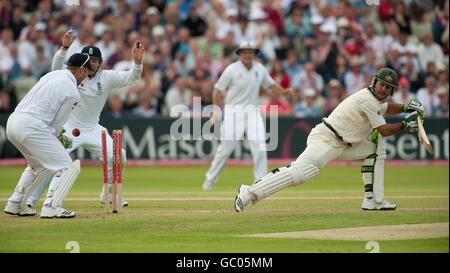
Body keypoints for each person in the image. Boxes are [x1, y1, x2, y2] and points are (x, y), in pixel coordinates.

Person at [234, 68, 425, 212]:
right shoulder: (367, 100)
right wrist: (406, 125)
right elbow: (383, 130)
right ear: (375, 83)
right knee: (303, 171)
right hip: (326, 139)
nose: (383, 89)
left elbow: (387, 108)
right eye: (381, 84)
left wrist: (406, 108)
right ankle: (249, 192)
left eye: (387, 87)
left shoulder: (376, 101)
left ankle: (373, 200)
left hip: (344, 144)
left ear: (391, 90)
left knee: (375, 149)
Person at [26, 28, 144, 207]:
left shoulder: (106, 77)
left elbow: (131, 78)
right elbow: (55, 69)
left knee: (119, 155)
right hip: (68, 129)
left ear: (100, 63)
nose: (93, 64)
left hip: (93, 128)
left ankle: (109, 196)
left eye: (96, 61)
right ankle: (30, 200)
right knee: (51, 162)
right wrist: (63, 49)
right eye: (90, 61)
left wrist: (137, 63)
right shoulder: (72, 76)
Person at [4, 53, 92, 218]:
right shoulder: (72, 92)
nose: (86, 77)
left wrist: (56, 136)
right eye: (87, 73)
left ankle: (15, 203)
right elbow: (56, 126)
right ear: (81, 70)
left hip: (14, 122)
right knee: (65, 165)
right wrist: (61, 139)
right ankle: (51, 206)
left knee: (38, 165)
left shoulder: (52, 74)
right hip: (32, 126)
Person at [202, 41, 294, 191]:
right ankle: (210, 181)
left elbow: (270, 85)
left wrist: (283, 92)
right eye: (245, 52)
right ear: (239, 54)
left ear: (254, 54)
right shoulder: (231, 70)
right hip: (233, 112)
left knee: (260, 146)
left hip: (252, 112)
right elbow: (217, 90)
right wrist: (216, 109)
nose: (248, 55)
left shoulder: (260, 69)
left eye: (250, 52)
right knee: (225, 150)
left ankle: (261, 183)